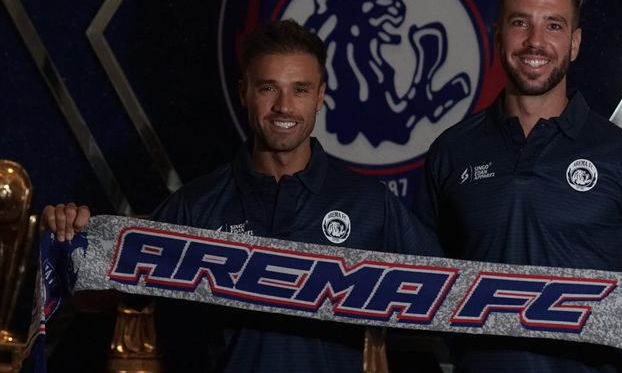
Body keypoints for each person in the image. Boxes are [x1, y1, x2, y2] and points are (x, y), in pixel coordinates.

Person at [43, 19, 440, 372]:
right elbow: (98, 298)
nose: (284, 106)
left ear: (320, 96)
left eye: (300, 90)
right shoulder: (195, 206)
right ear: (244, 92)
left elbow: (449, 298)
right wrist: (72, 242)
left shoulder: (369, 205)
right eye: (268, 88)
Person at [416, 0, 622, 372]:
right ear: (497, 36)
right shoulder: (451, 152)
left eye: (554, 26)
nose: (535, 41)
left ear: (574, 43)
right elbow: (416, 275)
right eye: (520, 23)